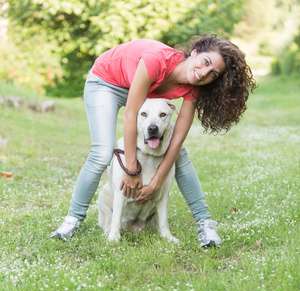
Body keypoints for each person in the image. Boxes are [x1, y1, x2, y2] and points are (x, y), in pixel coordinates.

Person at [50, 34, 256, 247]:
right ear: (194, 52)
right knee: (102, 153)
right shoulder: (156, 60)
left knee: (180, 155)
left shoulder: (195, 87)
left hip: (140, 90)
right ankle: (72, 219)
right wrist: (132, 169)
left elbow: (176, 142)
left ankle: (205, 224)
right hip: (106, 82)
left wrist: (157, 181)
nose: (204, 73)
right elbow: (131, 115)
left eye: (213, 73)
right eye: (205, 62)